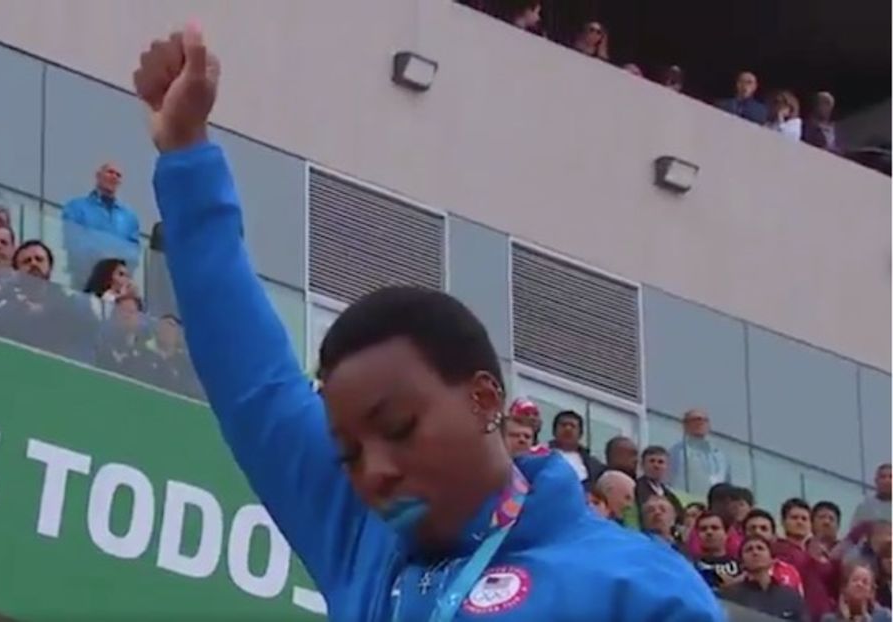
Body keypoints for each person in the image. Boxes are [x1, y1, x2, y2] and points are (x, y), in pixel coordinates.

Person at [135, 23, 724, 621]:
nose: (375, 473)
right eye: (348, 456)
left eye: (398, 427)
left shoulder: (636, 586)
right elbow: (253, 380)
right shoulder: (359, 538)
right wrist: (186, 152)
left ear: (484, 399)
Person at [61, 161, 141, 289]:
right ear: (98, 176)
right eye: (110, 172)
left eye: (118, 175)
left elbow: (133, 254)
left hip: (116, 284)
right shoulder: (76, 207)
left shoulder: (129, 217)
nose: (114, 176)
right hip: (84, 279)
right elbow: (73, 242)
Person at [723, 535, 809, 621]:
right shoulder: (730, 597)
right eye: (749, 549)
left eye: (760, 548)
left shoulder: (790, 596)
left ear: (772, 560)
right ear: (742, 563)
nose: (755, 552)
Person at [668, 409, 730, 496]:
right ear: (685, 425)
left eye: (704, 420)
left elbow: (727, 482)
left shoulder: (719, 455)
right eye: (696, 419)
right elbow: (669, 481)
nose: (700, 423)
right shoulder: (677, 452)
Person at [821, 564, 892, 622]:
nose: (859, 584)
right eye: (855, 580)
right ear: (845, 588)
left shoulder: (884, 617)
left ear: (871, 592)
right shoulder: (829, 619)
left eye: (865, 582)